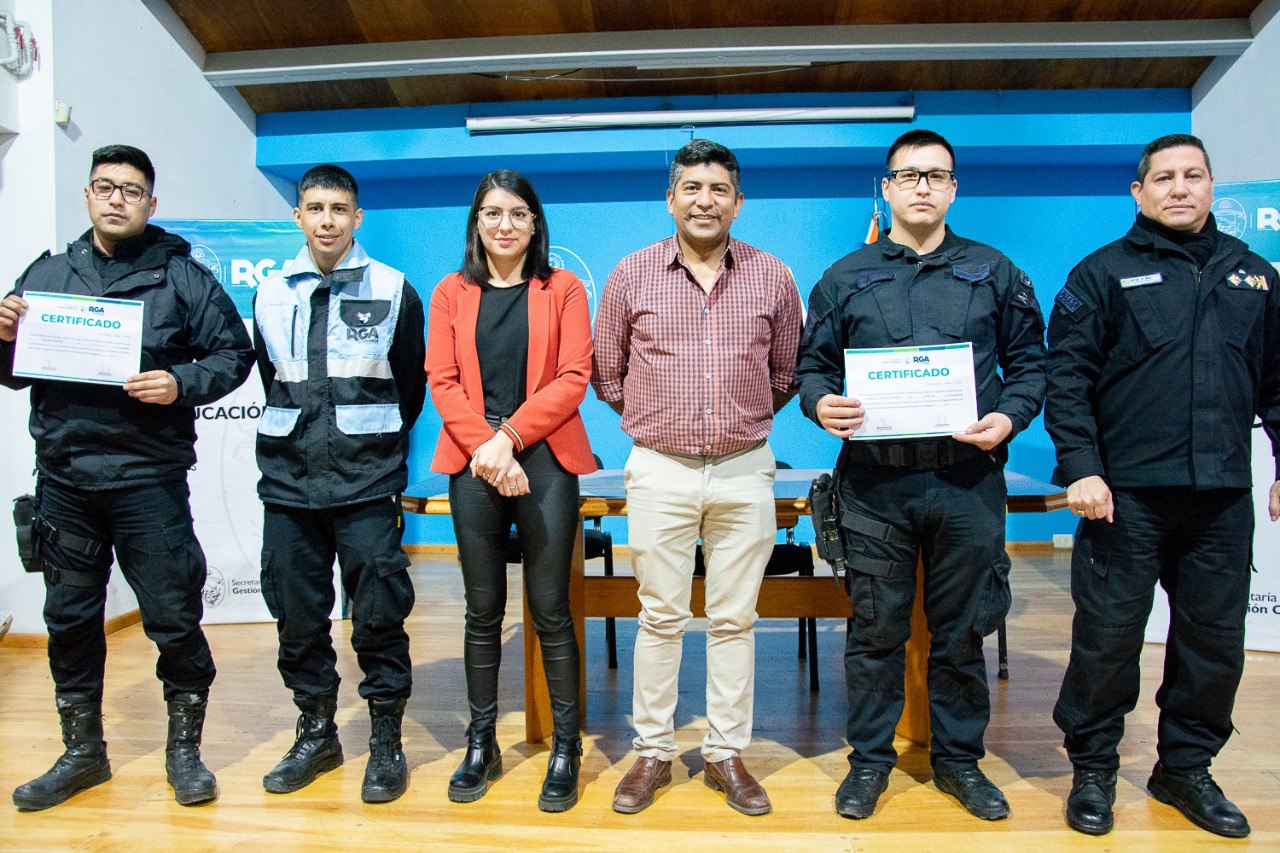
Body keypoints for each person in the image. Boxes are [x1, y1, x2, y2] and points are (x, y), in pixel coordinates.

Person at [795, 129, 1046, 821]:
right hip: (875, 486)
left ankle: (959, 762)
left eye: (936, 175)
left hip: (967, 482)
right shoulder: (843, 276)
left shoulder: (995, 270)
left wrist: (1011, 418)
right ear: (887, 187)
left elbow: (1032, 364)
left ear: (954, 187)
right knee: (875, 633)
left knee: (963, 630)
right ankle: (869, 762)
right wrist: (821, 402)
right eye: (908, 175)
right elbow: (810, 366)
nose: (922, 187)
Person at [1, 145, 254, 810]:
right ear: (88, 195)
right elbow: (12, 368)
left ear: (150, 204)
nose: (117, 198)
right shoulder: (47, 274)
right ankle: (83, 753)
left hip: (149, 480)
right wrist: (2, 336)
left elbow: (234, 354)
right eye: (105, 187)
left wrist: (180, 382)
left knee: (173, 615)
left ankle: (184, 751)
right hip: (65, 482)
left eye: (131, 190)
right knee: (70, 620)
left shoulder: (183, 278)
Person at [1045, 133, 1280, 839]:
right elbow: (1068, 379)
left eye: (1194, 175)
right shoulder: (1102, 273)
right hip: (1126, 497)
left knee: (1214, 643)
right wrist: (1082, 467)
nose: (1181, 188)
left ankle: (1184, 766)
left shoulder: (1255, 276)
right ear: (1139, 192)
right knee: (1108, 640)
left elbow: (1277, 382)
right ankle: (1093, 769)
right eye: (1165, 178)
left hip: (1222, 497)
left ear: (1211, 186)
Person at [593, 139, 803, 817]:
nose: (704, 200)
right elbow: (608, 373)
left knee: (735, 617)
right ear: (671, 198)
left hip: (745, 469)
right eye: (691, 188)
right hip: (658, 467)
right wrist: (667, 423)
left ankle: (724, 752)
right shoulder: (631, 275)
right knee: (659, 615)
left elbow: (785, 375)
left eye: (718, 189)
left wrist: (728, 424)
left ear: (738, 201)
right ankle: (652, 750)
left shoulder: (773, 276)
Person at [252, 164, 425, 804]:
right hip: (288, 483)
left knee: (379, 616)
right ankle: (318, 732)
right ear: (298, 216)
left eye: (340, 208)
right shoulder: (268, 293)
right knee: (297, 618)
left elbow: (410, 385)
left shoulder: (395, 287)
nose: (328, 219)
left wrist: (373, 449)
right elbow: (267, 376)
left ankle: (386, 742)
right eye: (315, 207)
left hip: (365, 482)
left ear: (358, 218)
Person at [426, 169, 595, 812]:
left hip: (545, 456)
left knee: (551, 608)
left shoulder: (564, 288)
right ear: (477, 221)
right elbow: (442, 382)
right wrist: (487, 447)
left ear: (534, 224)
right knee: (481, 611)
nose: (504, 224)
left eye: (518, 214)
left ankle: (565, 748)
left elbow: (575, 377)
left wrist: (510, 440)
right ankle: (482, 743)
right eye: (493, 213)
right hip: (473, 459)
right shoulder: (450, 292)